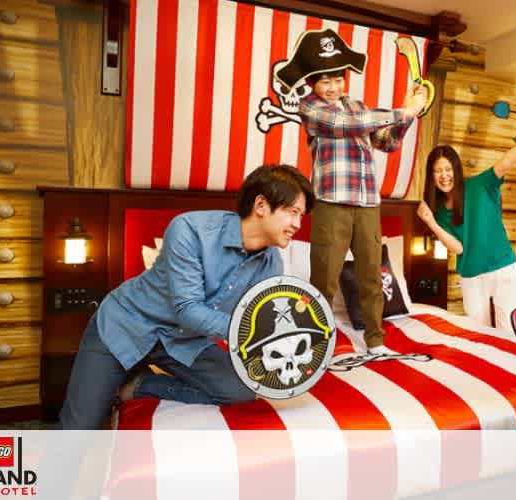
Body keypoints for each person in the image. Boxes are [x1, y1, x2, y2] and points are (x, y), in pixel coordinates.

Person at [59, 165, 315, 429]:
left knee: (241, 390)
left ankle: (139, 385)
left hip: (184, 341)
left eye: (302, 216)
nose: (298, 224)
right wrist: (254, 330)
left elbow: (265, 323)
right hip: (124, 325)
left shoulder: (272, 264)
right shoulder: (190, 229)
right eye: (293, 212)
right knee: (79, 429)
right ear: (261, 205)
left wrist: (300, 351)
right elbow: (189, 310)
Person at [275, 28, 427, 355]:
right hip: (332, 204)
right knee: (325, 278)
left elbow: (386, 142)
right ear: (313, 84)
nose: (333, 88)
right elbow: (346, 126)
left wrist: (406, 113)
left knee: (371, 277)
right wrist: (406, 111)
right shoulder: (310, 109)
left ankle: (375, 341)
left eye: (338, 80)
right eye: (325, 82)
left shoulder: (358, 106)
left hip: (368, 203)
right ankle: (315, 344)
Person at [417, 111, 516, 332]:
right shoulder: (438, 210)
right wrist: (431, 222)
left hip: (502, 267)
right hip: (471, 274)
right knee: (480, 334)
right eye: (437, 171)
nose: (444, 176)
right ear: (431, 176)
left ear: (456, 170)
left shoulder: (480, 185)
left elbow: (508, 160)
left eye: (448, 169)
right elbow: (458, 248)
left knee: (509, 329)